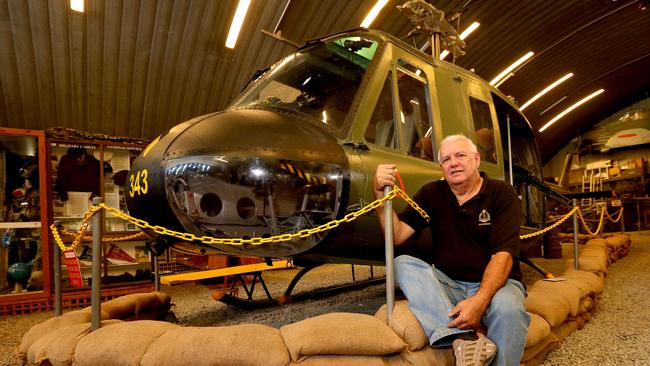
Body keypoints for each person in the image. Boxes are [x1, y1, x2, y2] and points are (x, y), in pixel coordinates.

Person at [373, 134, 530, 366]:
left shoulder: (501, 193)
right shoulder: (432, 193)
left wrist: (478, 302)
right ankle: (463, 341)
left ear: (476, 159)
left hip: (499, 285)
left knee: (508, 310)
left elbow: (504, 256)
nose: (453, 163)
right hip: (450, 284)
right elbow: (395, 236)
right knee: (402, 262)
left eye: (460, 156)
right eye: (446, 159)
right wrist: (379, 195)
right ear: (441, 168)